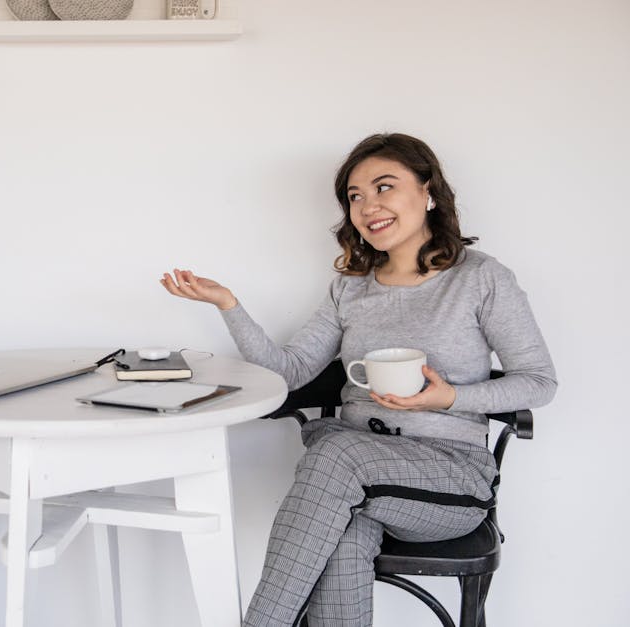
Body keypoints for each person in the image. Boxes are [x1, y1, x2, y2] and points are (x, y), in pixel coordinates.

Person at [160, 133, 556, 626]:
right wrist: (229, 306)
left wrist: (451, 397)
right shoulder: (350, 287)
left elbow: (538, 382)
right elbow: (292, 371)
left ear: (428, 190)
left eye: (384, 187)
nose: (368, 206)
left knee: (335, 454)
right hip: (352, 478)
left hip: (449, 477)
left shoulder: (480, 278)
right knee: (343, 536)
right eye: (355, 196)